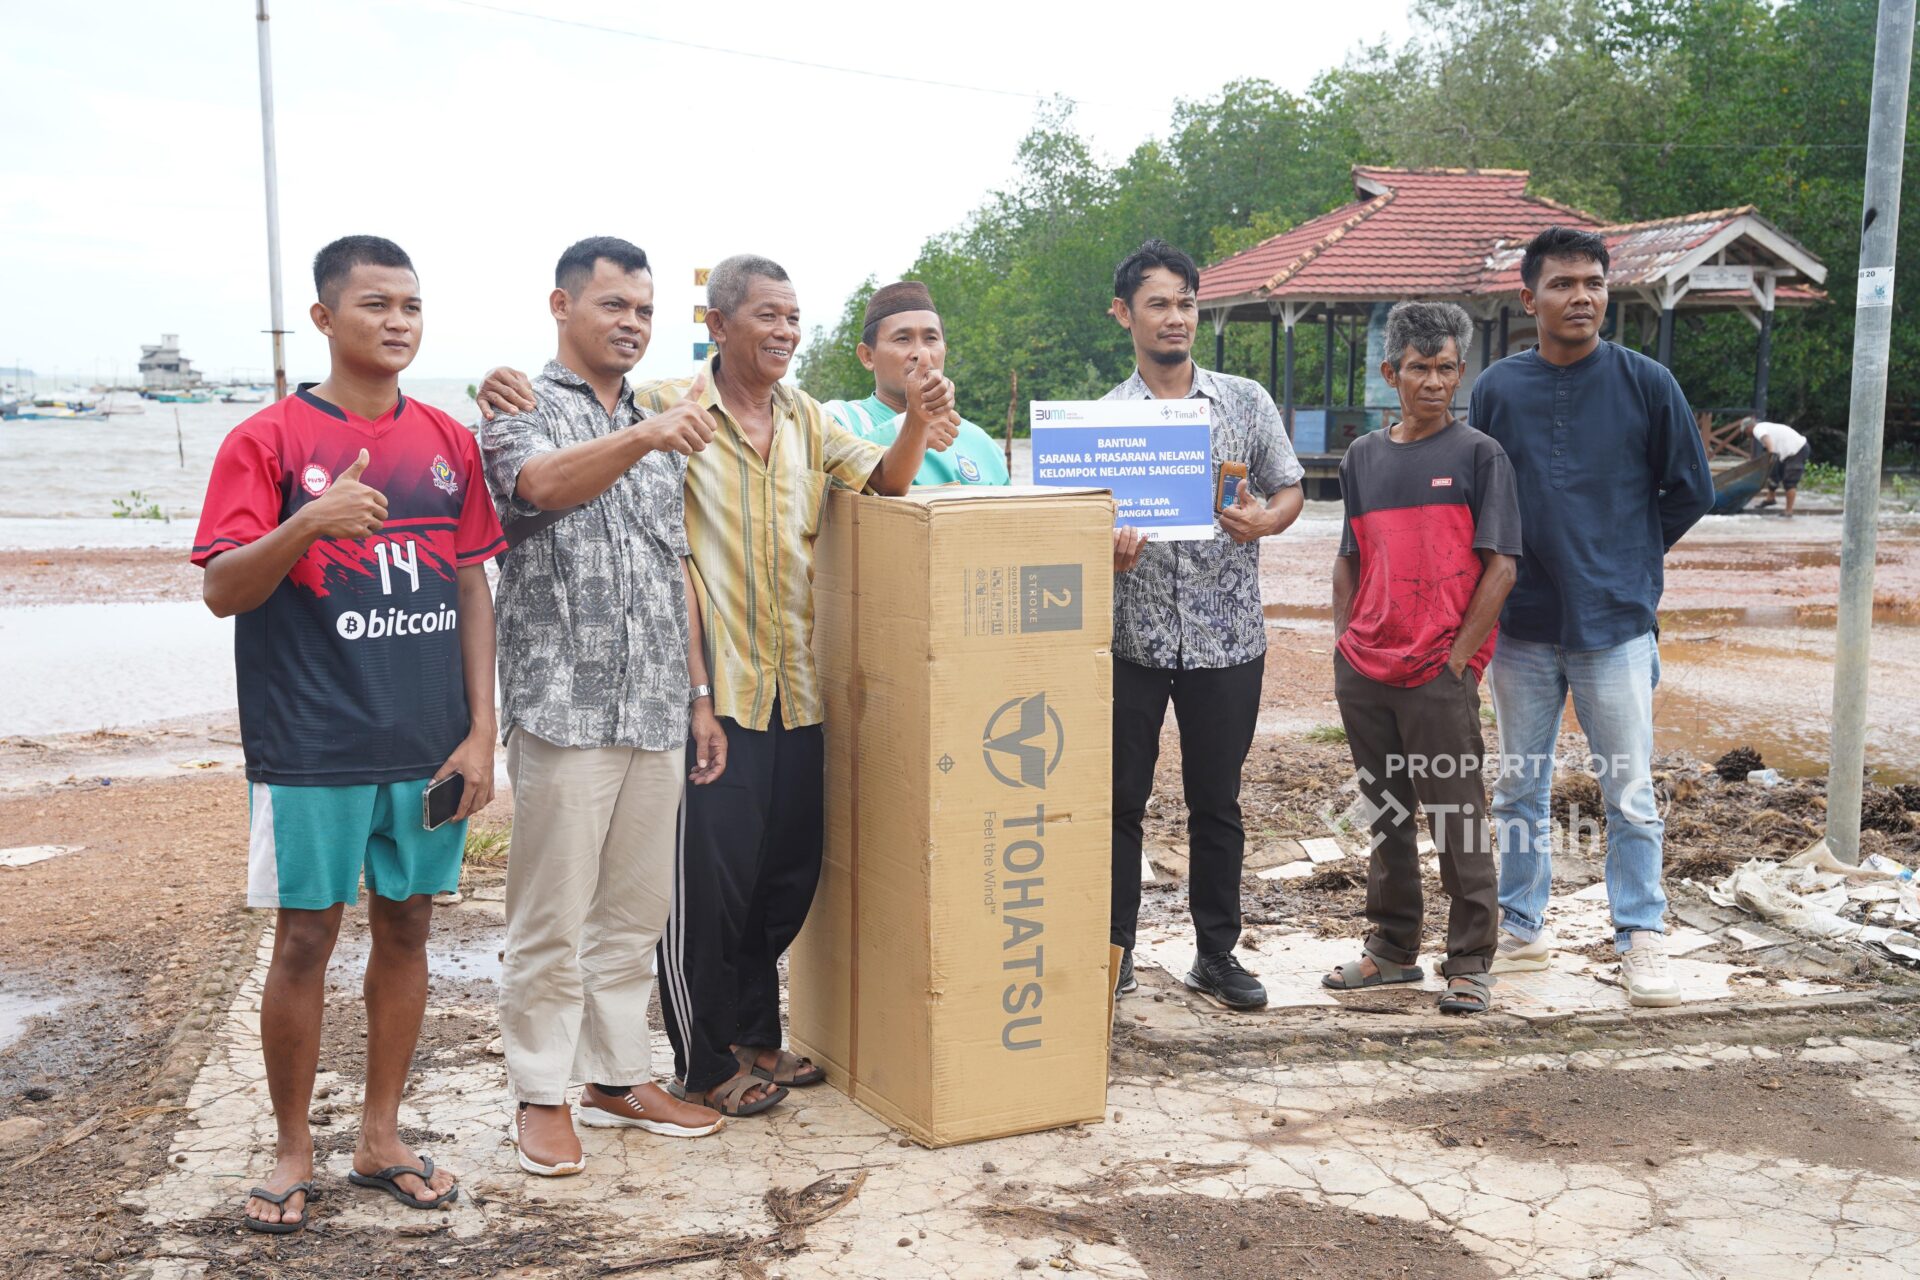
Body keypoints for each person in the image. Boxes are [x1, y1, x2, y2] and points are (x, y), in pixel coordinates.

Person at [479, 254, 953, 1116]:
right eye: (766, 316)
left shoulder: (803, 419)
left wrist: (916, 420)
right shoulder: (667, 406)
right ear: (719, 326)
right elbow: (557, 453)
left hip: (781, 686)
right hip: (685, 693)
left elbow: (884, 480)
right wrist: (496, 377)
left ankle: (746, 1038)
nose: (783, 333)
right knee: (694, 894)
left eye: (794, 319)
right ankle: (690, 1062)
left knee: (783, 877)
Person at [194, 236, 505, 1232]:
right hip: (311, 740)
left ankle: (380, 1133)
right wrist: (308, 523)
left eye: (411, 304)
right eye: (376, 303)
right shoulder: (269, 440)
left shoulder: (449, 441)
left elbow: (469, 584)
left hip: (428, 741)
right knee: (305, 938)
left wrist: (481, 733)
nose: (399, 321)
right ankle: (292, 1147)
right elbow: (221, 588)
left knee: (409, 926)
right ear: (325, 318)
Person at [478, 237, 731, 1177]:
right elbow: (536, 489)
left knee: (632, 913)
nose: (630, 323)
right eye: (613, 305)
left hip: (657, 701)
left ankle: (618, 1076)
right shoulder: (520, 409)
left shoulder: (665, 421)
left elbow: (675, 569)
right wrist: (644, 436)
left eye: (644, 311)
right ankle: (541, 1093)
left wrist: (701, 698)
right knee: (550, 915)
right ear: (562, 306)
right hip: (562, 706)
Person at [1471, 226, 1715, 1007]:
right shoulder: (1499, 390)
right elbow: (1483, 499)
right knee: (1518, 790)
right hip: (1524, 622)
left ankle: (1641, 935)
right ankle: (1521, 928)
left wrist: (1629, 558)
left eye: (1594, 284)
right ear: (1528, 298)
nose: (1582, 297)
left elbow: (1691, 490)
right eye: (1564, 284)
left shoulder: (1648, 383)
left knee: (1630, 791)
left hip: (1615, 623)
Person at [1104, 238, 1305, 1011]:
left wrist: (1265, 521)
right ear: (1125, 315)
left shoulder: (1244, 401)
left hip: (1228, 639)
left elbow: (1287, 490)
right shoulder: (1102, 422)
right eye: (1158, 303)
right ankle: (1113, 953)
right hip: (1131, 640)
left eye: (1186, 303)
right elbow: (1069, 527)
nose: (1175, 317)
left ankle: (1216, 955)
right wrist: (1106, 549)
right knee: (1120, 800)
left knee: (1216, 801)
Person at [1323, 302, 1521, 1015]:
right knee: (1384, 813)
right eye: (1418, 368)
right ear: (1390, 374)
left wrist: (1460, 661)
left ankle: (1469, 961)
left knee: (1458, 818)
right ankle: (1391, 951)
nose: (1433, 382)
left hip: (1438, 671)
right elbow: (1350, 556)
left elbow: (1501, 568)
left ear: (1460, 373)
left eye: (1445, 369)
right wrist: (1347, 641)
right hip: (1366, 669)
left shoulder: (1479, 456)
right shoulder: (1363, 459)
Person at [822, 280, 1010, 486]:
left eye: (931, 339)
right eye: (903, 339)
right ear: (867, 356)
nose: (922, 354)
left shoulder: (982, 445)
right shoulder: (837, 420)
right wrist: (913, 427)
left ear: (945, 350)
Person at [1752, 419, 1812, 516]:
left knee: (1790, 481)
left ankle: (1788, 511)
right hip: (1785, 452)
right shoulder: (1764, 426)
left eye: (1745, 431)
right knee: (1773, 474)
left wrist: (1770, 455)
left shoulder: (1757, 429)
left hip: (1797, 449)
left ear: (1748, 427)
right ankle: (1770, 499)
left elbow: (1767, 440)